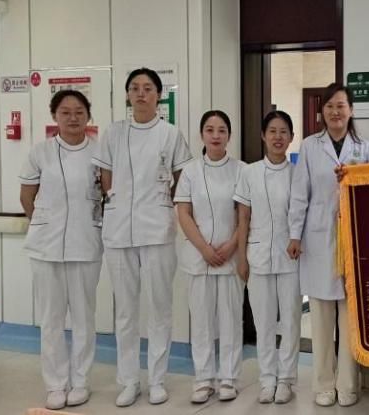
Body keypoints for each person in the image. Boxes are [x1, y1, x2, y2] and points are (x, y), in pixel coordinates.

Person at [93, 68, 192, 407]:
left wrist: (164, 205)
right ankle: (129, 380)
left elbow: (182, 177)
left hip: (157, 228)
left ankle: (157, 379)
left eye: (148, 88)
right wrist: (116, 199)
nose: (141, 93)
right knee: (125, 311)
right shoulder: (114, 132)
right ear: (127, 95)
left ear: (158, 95)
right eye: (134, 88)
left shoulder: (170, 133)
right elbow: (105, 174)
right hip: (119, 229)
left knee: (160, 307)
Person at [288, 83, 369, 407]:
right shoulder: (310, 146)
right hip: (319, 238)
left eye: (341, 106)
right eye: (330, 107)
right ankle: (324, 385)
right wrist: (295, 235)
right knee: (322, 318)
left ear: (351, 110)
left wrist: (353, 179)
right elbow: (300, 194)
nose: (335, 112)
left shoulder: (364, 148)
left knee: (350, 318)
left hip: (353, 240)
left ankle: (348, 385)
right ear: (321, 112)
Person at [19, 90, 103, 411]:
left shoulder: (99, 152)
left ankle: (80, 382)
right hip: (46, 246)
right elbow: (27, 196)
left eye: (79, 111)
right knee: (51, 320)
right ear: (55, 116)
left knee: (84, 318)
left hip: (86, 243)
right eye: (65, 112)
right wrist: (42, 223)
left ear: (88, 115)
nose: (72, 117)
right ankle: (55, 385)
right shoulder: (40, 152)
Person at [174, 110, 246, 404]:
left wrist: (231, 246)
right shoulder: (190, 171)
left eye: (222, 130)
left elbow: (246, 215)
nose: (216, 136)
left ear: (229, 135)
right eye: (210, 130)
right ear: (201, 135)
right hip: (198, 258)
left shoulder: (241, 170)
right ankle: (203, 379)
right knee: (202, 323)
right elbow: (183, 213)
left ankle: (228, 378)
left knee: (231, 320)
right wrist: (204, 249)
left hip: (231, 257)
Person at [234, 110, 301, 405]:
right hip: (258, 254)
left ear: (291, 138)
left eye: (283, 131)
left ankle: (286, 380)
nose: (278, 137)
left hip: (291, 257)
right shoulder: (249, 173)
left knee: (291, 322)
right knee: (263, 323)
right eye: (272, 131)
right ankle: (267, 380)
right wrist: (241, 257)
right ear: (263, 135)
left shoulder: (298, 174)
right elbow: (243, 218)